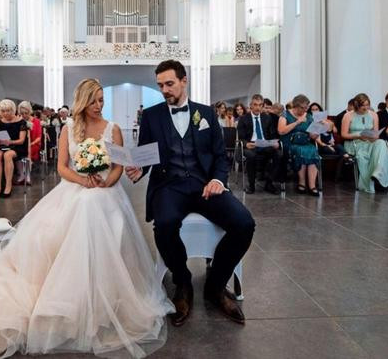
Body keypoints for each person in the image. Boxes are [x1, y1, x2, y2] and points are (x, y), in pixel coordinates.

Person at [0, 78, 173, 359]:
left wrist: (107, 182)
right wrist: (83, 182)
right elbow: (62, 168)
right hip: (75, 187)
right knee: (79, 211)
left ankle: (102, 292)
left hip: (107, 191)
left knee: (94, 207)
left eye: (101, 100)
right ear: (82, 101)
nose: (99, 105)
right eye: (94, 100)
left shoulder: (113, 129)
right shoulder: (69, 129)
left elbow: (118, 165)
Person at [125, 59, 255, 326]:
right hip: (169, 185)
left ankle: (216, 285)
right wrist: (140, 169)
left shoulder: (206, 114)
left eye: (170, 84)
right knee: (165, 224)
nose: (165, 90)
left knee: (244, 223)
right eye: (160, 85)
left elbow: (220, 156)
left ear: (184, 81)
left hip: (204, 185)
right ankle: (182, 282)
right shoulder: (151, 116)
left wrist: (219, 180)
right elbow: (146, 154)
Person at [341, 93, 388, 193]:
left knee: (381, 143)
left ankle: (378, 174)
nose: (365, 108)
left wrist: (373, 137)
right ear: (356, 105)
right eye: (362, 105)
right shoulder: (348, 116)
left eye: (367, 105)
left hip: (369, 141)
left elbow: (376, 133)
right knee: (365, 154)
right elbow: (344, 134)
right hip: (355, 142)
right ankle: (371, 183)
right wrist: (359, 135)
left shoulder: (373, 115)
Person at [278, 94, 321, 196]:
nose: (305, 110)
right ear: (295, 106)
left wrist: (318, 130)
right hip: (290, 143)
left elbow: (312, 136)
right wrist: (297, 122)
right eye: (303, 108)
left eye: (307, 107)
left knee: (313, 151)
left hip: (305, 142)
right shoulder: (285, 114)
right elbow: (281, 131)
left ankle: (312, 185)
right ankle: (302, 183)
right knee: (300, 151)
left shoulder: (309, 117)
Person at [237, 94, 280, 194]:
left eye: (260, 105)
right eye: (255, 105)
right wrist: (246, 143)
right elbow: (241, 137)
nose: (258, 107)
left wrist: (275, 142)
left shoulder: (267, 118)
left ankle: (269, 183)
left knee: (278, 154)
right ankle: (251, 185)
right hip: (251, 145)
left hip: (265, 144)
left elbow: (272, 134)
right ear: (251, 105)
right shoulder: (243, 119)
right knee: (251, 155)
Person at [0, 99, 28, 198]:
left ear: (13, 110)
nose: (5, 113)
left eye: (8, 111)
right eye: (3, 111)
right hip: (3, 146)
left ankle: (8, 185)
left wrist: (10, 142)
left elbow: (21, 140)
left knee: (8, 155)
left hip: (17, 147)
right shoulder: (0, 123)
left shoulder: (21, 122)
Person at [16, 101, 41, 186]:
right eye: (22, 113)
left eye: (26, 113)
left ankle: (27, 175)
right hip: (21, 143)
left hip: (33, 144)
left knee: (28, 151)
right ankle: (22, 174)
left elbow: (39, 137)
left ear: (29, 112)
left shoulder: (36, 121)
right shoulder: (18, 120)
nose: (24, 115)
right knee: (17, 150)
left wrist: (31, 143)